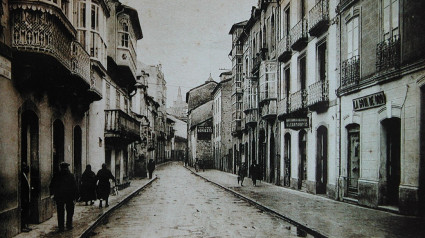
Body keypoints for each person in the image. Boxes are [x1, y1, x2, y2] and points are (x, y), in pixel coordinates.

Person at [49, 162, 78, 232]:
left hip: (60, 197)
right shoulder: (71, 176)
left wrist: (53, 194)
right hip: (69, 197)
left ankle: (61, 226)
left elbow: (51, 186)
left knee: (60, 211)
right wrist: (75, 196)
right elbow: (75, 187)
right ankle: (69, 225)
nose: (65, 169)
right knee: (70, 211)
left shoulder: (57, 175)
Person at [21, 163, 32, 232]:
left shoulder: (25, 175)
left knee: (26, 212)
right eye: (25, 166)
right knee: (24, 212)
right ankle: (23, 226)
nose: (27, 168)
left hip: (26, 198)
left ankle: (25, 225)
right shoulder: (22, 176)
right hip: (24, 198)